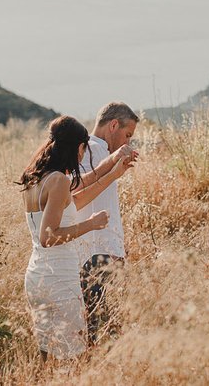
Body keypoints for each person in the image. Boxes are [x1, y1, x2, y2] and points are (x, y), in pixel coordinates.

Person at [19, 115, 136, 360]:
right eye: (84, 149)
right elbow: (48, 237)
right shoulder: (59, 180)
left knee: (48, 354)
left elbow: (78, 197)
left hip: (36, 276)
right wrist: (90, 224)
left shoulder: (36, 178)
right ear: (77, 147)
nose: (83, 157)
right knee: (74, 355)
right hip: (58, 277)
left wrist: (113, 173)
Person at [74, 102, 140, 345]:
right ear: (113, 125)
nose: (128, 142)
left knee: (108, 326)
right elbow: (75, 191)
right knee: (101, 331)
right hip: (92, 253)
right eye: (127, 135)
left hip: (103, 252)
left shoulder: (100, 153)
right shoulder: (88, 149)